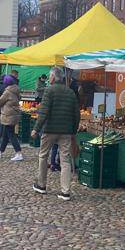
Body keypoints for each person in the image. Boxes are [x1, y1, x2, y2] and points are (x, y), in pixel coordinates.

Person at [31, 67, 80, 199]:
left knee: (43, 155)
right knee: (65, 160)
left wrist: (36, 128)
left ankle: (41, 185)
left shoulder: (49, 90)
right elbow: (77, 114)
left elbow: (44, 112)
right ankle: (65, 191)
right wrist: (73, 131)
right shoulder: (70, 92)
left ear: (53, 77)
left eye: (49, 76)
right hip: (66, 131)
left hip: (50, 129)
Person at [0, 74, 24, 161]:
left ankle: (18, 153)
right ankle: (0, 151)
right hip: (14, 114)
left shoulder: (7, 92)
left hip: (8, 115)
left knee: (11, 134)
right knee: (6, 134)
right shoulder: (16, 90)